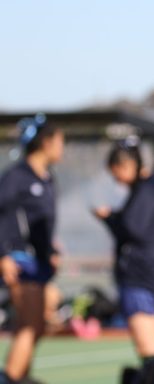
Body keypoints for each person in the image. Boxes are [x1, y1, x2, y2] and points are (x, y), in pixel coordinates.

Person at [93, 137, 154, 380]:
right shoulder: (148, 187)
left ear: (127, 165)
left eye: (116, 172)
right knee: (153, 356)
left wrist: (109, 218)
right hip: (146, 273)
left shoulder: (148, 187)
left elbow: (134, 228)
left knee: (153, 355)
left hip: (140, 277)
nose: (116, 179)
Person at [0, 114, 64, 384]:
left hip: (38, 262)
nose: (62, 147)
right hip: (18, 260)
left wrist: (51, 248)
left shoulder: (47, 178)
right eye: (60, 141)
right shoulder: (17, 176)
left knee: (35, 327)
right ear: (45, 142)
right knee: (29, 327)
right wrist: (3, 255)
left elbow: (40, 225)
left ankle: (21, 377)